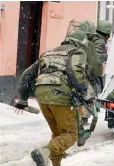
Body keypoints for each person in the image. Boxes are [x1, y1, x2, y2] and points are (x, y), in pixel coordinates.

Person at [13, 29, 95, 166]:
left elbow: (26, 75)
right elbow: (75, 72)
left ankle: (55, 163)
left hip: (42, 96)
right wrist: (85, 94)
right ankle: (45, 152)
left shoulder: (48, 53)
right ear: (80, 43)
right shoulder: (77, 52)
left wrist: (23, 98)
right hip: (61, 96)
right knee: (71, 134)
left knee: (58, 134)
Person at [93, 20, 112, 92]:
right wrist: (108, 57)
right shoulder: (100, 41)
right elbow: (97, 57)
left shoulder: (95, 38)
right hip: (94, 73)